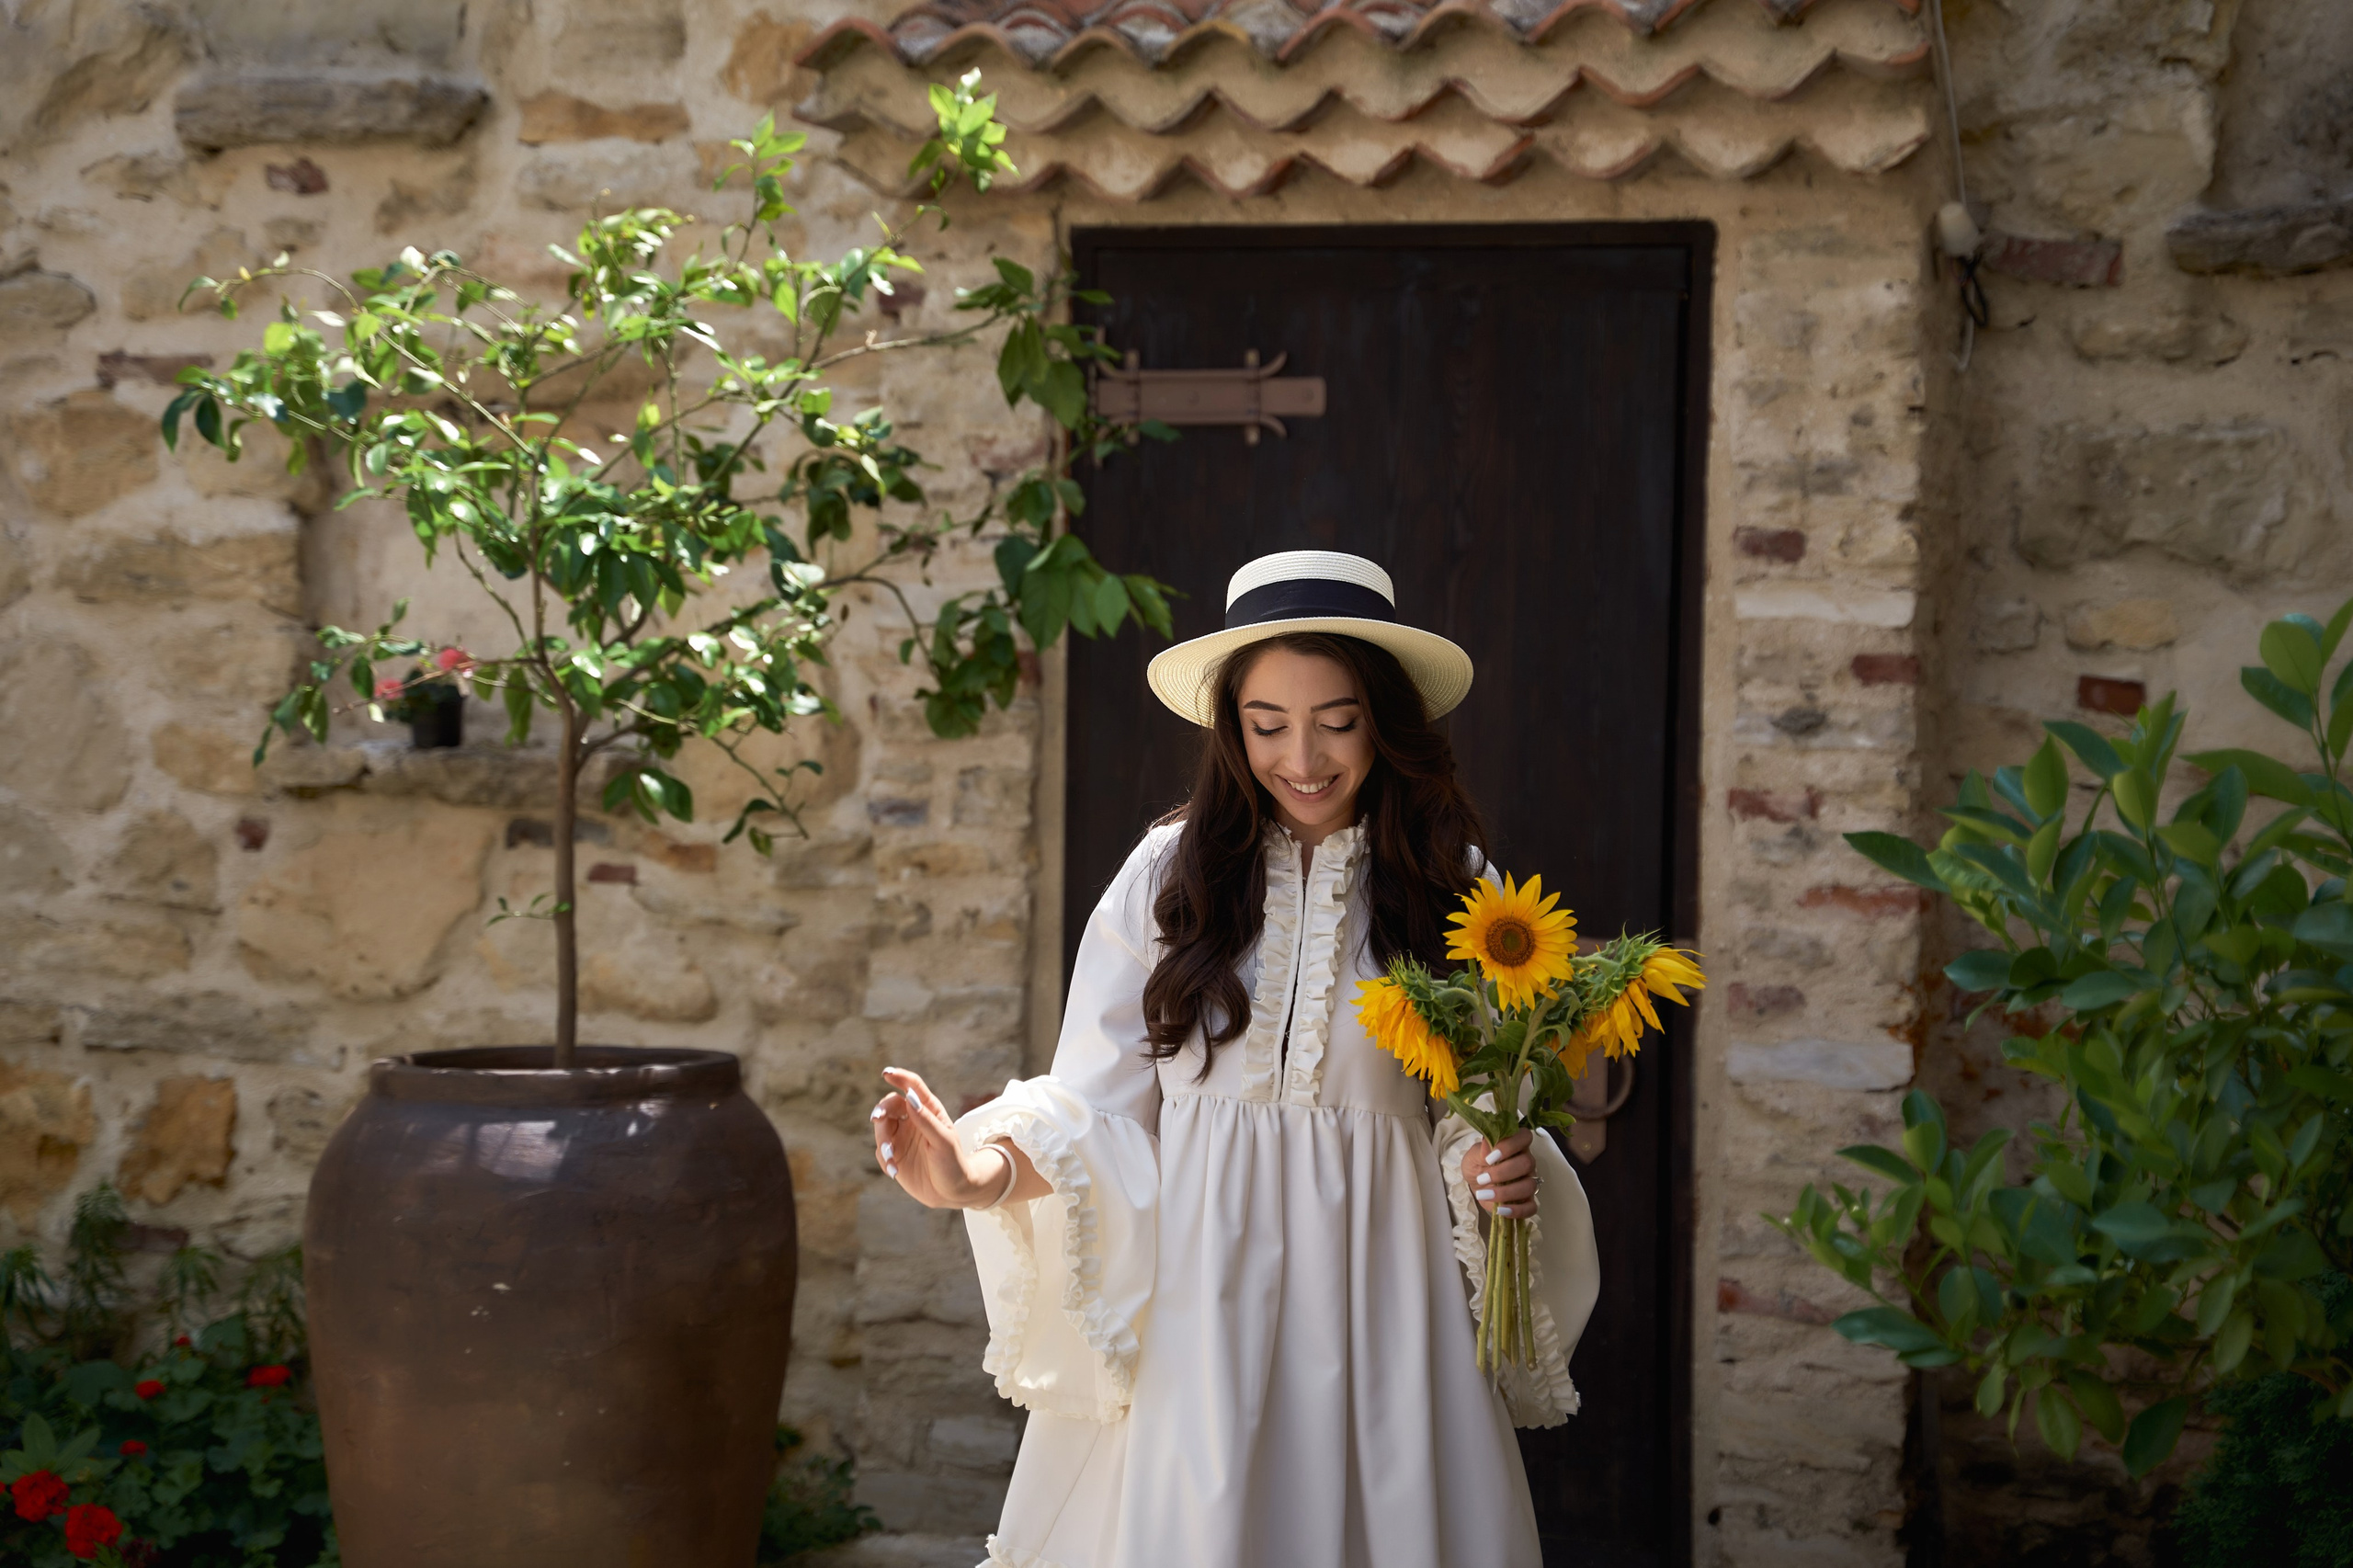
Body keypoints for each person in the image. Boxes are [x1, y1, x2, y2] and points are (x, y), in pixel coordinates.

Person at [870, 550, 1600, 1568]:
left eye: (1336, 720)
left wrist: (1495, 1170)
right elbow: (1098, 1108)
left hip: (1388, 1313)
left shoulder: (1459, 890)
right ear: (1231, 728)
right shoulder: (1169, 877)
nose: (1301, 755)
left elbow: (1475, 1119)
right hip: (1199, 1319)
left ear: (1384, 722)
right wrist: (972, 1173)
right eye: (1267, 725)